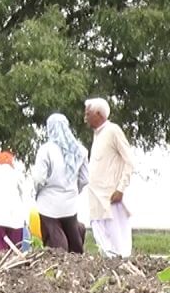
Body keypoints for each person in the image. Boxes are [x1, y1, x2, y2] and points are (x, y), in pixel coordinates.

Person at [84, 97, 136, 258]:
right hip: (97, 199)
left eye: (88, 114)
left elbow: (130, 161)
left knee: (119, 246)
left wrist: (121, 189)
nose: (85, 118)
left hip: (112, 198)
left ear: (98, 114)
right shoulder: (97, 135)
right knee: (103, 244)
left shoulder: (113, 130)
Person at [31, 113, 89, 253]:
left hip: (48, 202)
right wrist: (74, 191)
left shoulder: (46, 150)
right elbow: (85, 179)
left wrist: (37, 192)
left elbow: (39, 178)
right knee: (73, 233)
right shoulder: (80, 150)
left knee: (54, 234)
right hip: (70, 202)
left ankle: (59, 260)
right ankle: (77, 261)